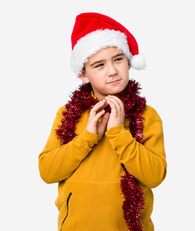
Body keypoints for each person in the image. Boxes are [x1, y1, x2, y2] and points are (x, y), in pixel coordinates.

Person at [38, 12, 167, 231]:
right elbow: (48, 172)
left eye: (118, 60)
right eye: (99, 65)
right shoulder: (68, 114)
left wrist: (119, 133)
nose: (112, 71)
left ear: (128, 62)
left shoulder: (146, 115)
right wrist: (87, 137)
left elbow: (155, 176)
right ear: (84, 74)